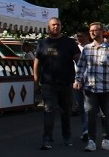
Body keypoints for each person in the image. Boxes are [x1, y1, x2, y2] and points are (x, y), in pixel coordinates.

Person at [74, 22, 109, 152]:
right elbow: (81, 66)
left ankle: (106, 138)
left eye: (95, 30)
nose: (92, 33)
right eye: (91, 31)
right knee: (90, 113)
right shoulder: (87, 49)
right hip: (90, 88)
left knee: (105, 114)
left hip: (106, 88)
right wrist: (78, 80)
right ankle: (91, 140)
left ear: (101, 32)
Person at [34, 17, 80, 149]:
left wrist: (80, 78)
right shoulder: (43, 43)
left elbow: (78, 60)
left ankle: (67, 137)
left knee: (66, 112)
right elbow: (37, 63)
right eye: (53, 25)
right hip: (48, 84)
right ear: (48, 27)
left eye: (58, 25)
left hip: (66, 83)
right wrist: (36, 82)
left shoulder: (69, 43)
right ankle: (47, 139)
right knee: (48, 111)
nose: (56, 27)